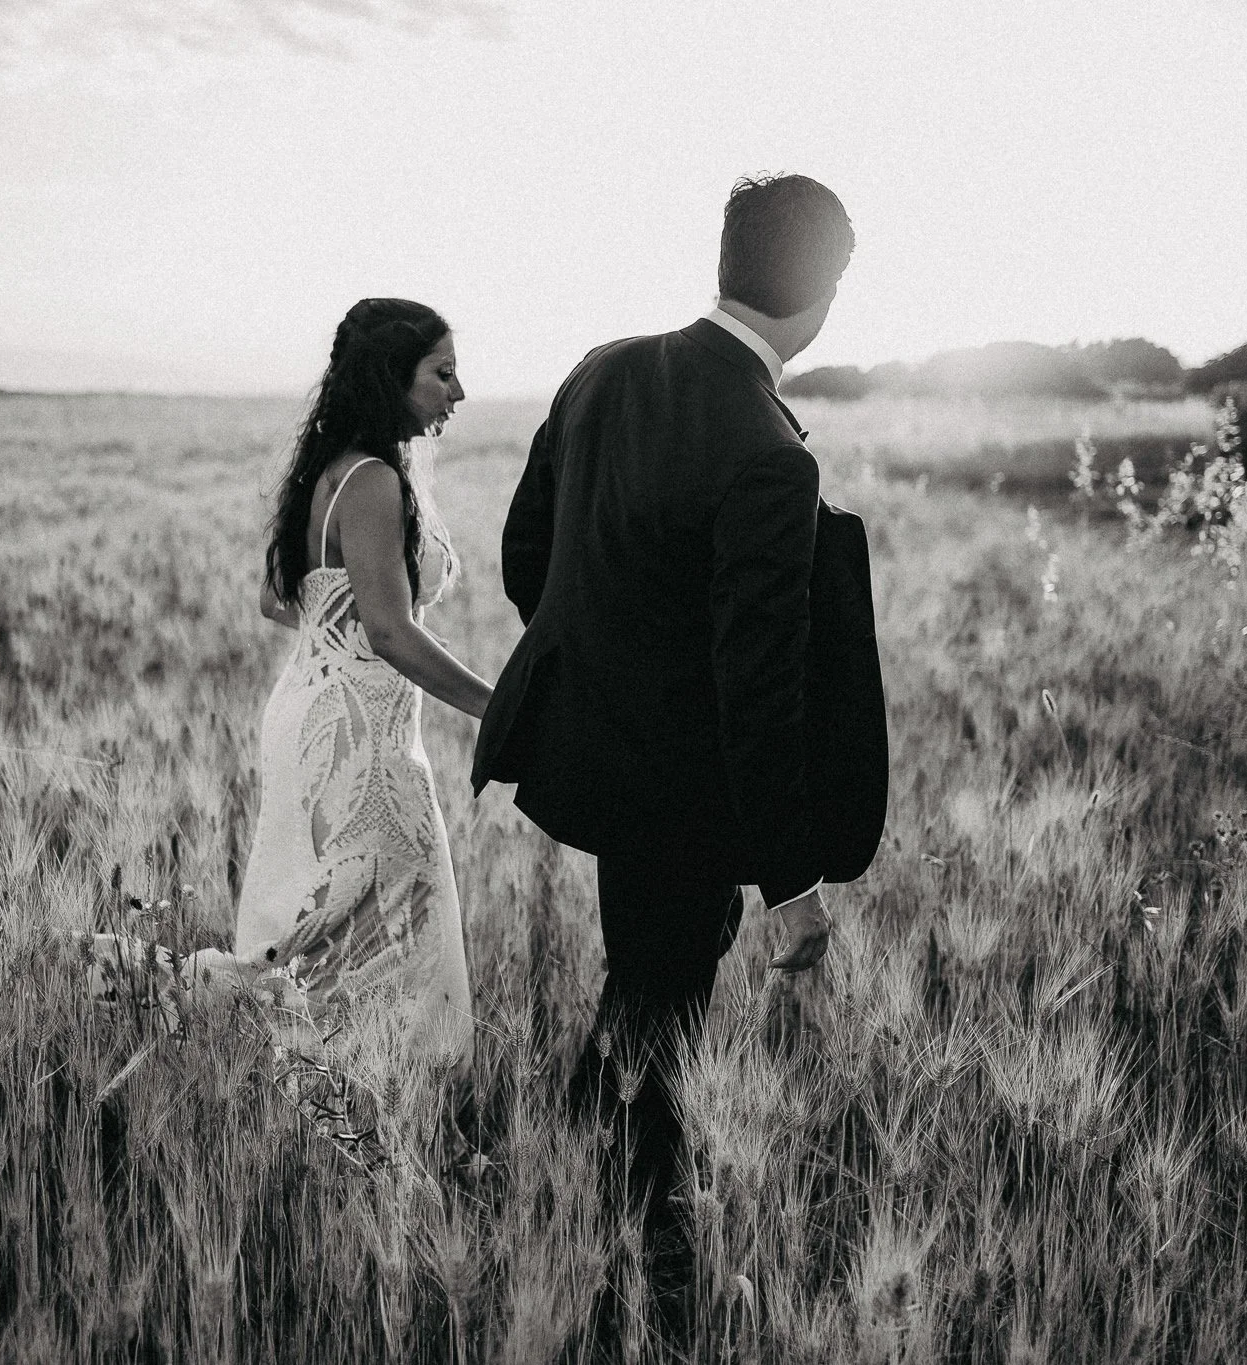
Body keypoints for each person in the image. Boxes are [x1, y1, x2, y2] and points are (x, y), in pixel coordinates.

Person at [470, 174, 887, 1313]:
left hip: (596, 767)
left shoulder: (602, 369)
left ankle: (559, 1201)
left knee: (641, 995)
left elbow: (526, 559)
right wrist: (791, 883)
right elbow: (758, 684)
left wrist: (612, 679)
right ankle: (639, 1266)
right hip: (689, 799)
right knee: (661, 1027)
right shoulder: (770, 449)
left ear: (726, 259)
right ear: (825, 293)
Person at [234, 297, 490, 1082]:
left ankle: (320, 1094)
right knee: (392, 934)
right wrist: (499, 705)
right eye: (443, 373)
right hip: (361, 737)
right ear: (391, 378)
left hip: (310, 713)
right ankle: (374, 1108)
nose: (459, 391)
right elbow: (389, 632)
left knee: (331, 927)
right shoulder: (374, 480)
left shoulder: (328, 470)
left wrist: (340, 640)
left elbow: (282, 600)